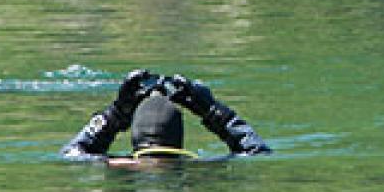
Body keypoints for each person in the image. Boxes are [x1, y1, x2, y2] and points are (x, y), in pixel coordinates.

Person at [60, 69, 271, 162]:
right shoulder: (200, 170)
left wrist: (115, 114)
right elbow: (257, 152)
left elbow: (70, 153)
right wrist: (213, 111)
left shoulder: (114, 167)